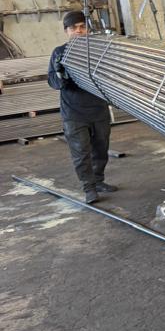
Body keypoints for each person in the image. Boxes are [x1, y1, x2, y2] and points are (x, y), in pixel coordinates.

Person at [47, 11, 116, 203]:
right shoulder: (59, 53)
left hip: (98, 110)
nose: (78, 31)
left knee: (101, 149)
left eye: (82, 27)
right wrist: (60, 75)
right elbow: (52, 81)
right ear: (66, 31)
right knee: (81, 152)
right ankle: (89, 188)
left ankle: (98, 180)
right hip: (74, 113)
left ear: (87, 29)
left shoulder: (97, 51)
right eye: (73, 28)